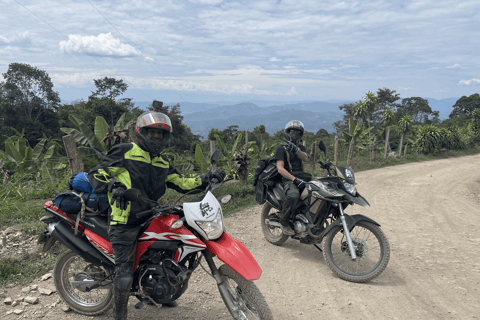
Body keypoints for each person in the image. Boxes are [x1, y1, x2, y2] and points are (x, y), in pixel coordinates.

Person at [88, 110, 225, 320]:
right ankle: (119, 315)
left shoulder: (162, 162)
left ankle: (161, 292)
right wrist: (114, 186)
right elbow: (97, 172)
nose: (156, 139)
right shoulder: (124, 151)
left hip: (152, 215)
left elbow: (182, 183)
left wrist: (207, 178)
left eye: (160, 135)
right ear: (141, 133)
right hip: (126, 220)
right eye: (152, 134)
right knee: (124, 271)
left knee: (168, 253)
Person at [273, 120, 310, 235]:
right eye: (292, 131)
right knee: (294, 195)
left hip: (302, 177)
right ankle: (283, 221)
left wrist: (296, 150)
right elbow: (280, 168)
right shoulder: (281, 149)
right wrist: (294, 179)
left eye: (298, 133)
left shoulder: (301, 149)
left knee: (318, 194)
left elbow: (305, 158)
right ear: (287, 132)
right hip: (289, 179)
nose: (295, 134)